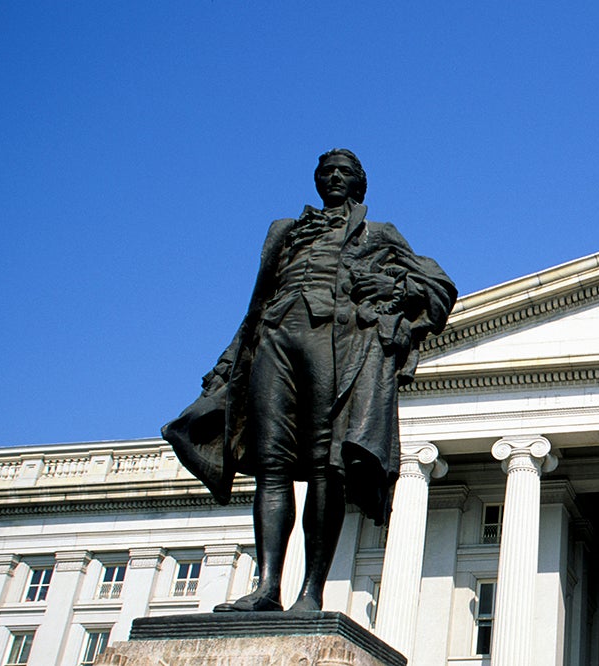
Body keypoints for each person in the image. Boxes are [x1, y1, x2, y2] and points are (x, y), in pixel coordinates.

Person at [162, 149, 457, 612]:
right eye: (326, 172)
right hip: (275, 339)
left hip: (333, 341)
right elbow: (256, 305)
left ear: (359, 183)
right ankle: (266, 587)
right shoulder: (285, 232)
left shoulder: (379, 234)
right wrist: (226, 365)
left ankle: (311, 593)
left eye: (344, 173)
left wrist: (396, 291)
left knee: (326, 465)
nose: (334, 178)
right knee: (271, 463)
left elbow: (439, 286)